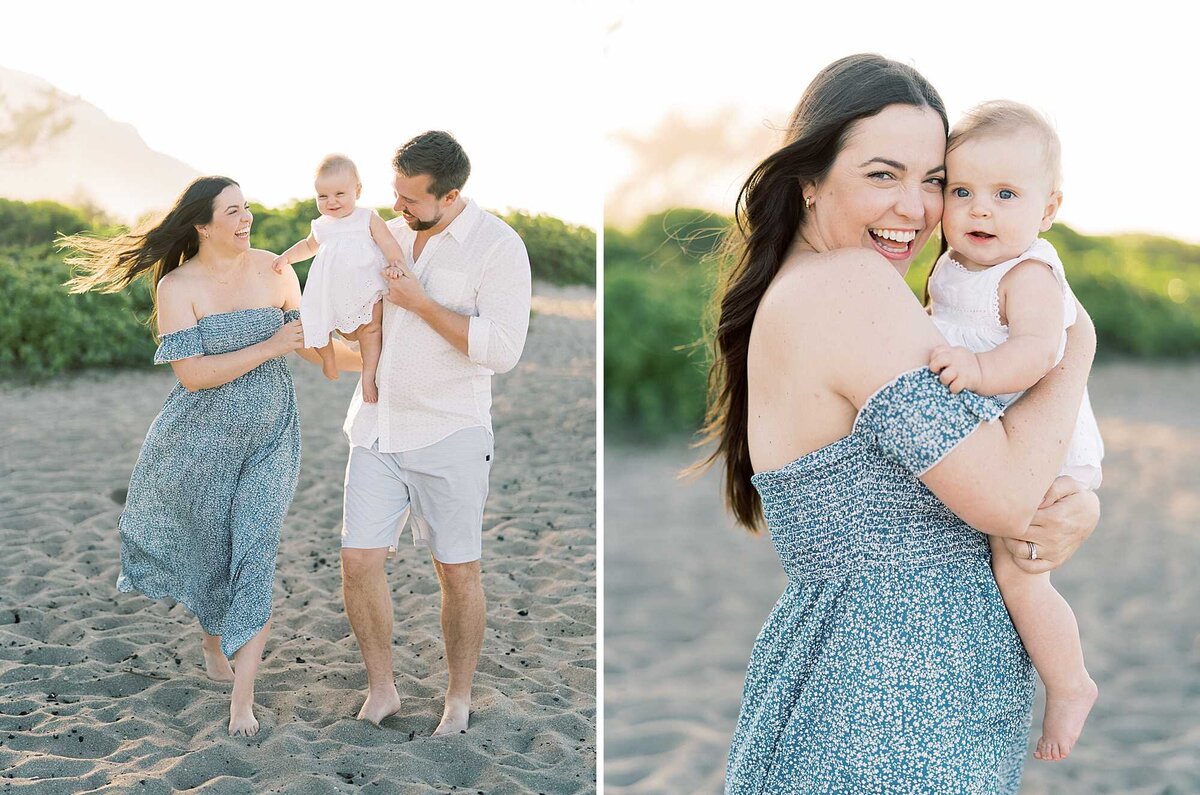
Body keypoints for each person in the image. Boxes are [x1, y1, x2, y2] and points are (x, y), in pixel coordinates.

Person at [697, 55, 1102, 792]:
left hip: (892, 696)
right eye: (883, 175)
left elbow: (997, 483)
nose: (916, 209)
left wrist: (1079, 505)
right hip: (889, 713)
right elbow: (1007, 497)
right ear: (809, 179)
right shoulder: (848, 287)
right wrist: (1077, 346)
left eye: (934, 181)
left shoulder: (827, 289)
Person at [64, 176, 361, 736]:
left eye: (247, 208)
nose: (246, 218)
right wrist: (271, 345)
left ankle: (242, 702)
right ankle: (211, 639)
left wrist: (373, 362)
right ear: (202, 224)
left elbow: (315, 343)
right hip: (199, 442)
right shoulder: (178, 286)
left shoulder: (276, 269)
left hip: (271, 437)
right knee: (213, 550)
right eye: (233, 211)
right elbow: (194, 376)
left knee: (254, 550)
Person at [926, 99, 1103, 761]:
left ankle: (1070, 681)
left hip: (1050, 448)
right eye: (962, 190)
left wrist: (978, 366)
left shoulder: (1028, 273)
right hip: (1007, 437)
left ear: (1047, 209)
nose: (980, 210)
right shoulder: (952, 269)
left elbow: (1040, 352)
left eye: (1005, 194)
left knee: (1020, 570)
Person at [338, 131, 531, 734]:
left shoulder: (498, 247)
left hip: (450, 431)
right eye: (395, 193)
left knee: (457, 571)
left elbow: (502, 350)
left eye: (412, 199)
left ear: (451, 195)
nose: (399, 208)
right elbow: (363, 324)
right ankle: (382, 689)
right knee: (357, 561)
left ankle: (457, 698)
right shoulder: (386, 236)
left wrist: (421, 304)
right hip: (375, 428)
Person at [273, 154, 407, 402]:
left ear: (357, 191)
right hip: (331, 290)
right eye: (322, 196)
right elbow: (307, 246)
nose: (331, 202)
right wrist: (286, 257)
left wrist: (396, 264)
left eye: (339, 194)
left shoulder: (367, 218)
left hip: (366, 287)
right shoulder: (322, 225)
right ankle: (328, 358)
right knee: (319, 323)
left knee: (371, 330)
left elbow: (388, 242)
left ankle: (368, 376)